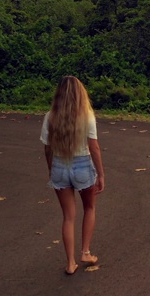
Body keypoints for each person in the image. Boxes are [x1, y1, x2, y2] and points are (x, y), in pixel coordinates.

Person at [40, 76, 106, 275]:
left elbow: (47, 148)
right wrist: (101, 174)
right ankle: (85, 252)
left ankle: (70, 263)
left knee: (68, 217)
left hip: (60, 165)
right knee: (89, 207)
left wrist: (51, 169)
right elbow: (94, 148)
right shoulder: (87, 116)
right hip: (82, 165)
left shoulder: (50, 116)